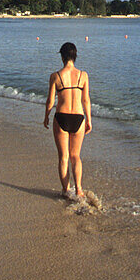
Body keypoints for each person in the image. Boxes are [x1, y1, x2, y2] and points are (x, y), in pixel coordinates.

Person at [44, 41, 91, 199]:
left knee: (63, 156)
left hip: (61, 117)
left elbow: (50, 100)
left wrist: (46, 116)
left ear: (62, 57)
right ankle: (79, 190)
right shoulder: (83, 75)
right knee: (75, 156)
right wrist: (89, 120)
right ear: (75, 56)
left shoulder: (55, 76)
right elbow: (86, 100)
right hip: (78, 118)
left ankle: (66, 190)